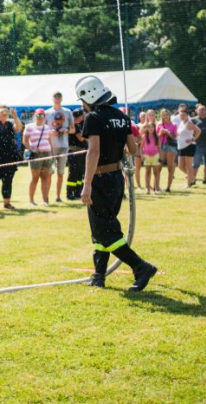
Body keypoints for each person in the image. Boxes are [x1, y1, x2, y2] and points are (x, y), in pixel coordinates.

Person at [76, 75, 158, 291]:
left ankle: (141, 267)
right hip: (116, 180)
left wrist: (87, 185)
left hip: (100, 180)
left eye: (82, 101)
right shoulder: (121, 116)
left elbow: (93, 152)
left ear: (89, 96)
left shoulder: (93, 118)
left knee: (106, 230)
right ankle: (99, 275)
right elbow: (134, 150)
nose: (82, 106)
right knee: (101, 227)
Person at [0, 105, 23, 210]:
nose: (4, 114)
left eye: (5, 113)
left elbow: (18, 128)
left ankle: (7, 203)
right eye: (1, 112)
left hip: (9, 155)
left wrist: (15, 116)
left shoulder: (9, 124)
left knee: (8, 180)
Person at [46, 92, 75, 203]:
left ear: (62, 99)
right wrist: (51, 132)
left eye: (59, 97)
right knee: (49, 172)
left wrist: (66, 130)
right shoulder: (47, 112)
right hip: (50, 146)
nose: (57, 99)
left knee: (61, 173)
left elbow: (73, 129)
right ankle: (46, 197)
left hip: (63, 146)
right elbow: (41, 129)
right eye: (55, 97)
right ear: (52, 98)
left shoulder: (67, 112)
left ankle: (58, 197)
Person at [22, 108, 53, 206]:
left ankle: (45, 200)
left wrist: (51, 153)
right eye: (38, 115)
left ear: (44, 117)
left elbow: (50, 141)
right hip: (36, 155)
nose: (40, 117)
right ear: (34, 116)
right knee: (35, 178)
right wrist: (32, 149)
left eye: (42, 115)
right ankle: (31, 201)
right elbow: (25, 141)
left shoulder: (47, 127)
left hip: (46, 154)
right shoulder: (29, 127)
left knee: (45, 177)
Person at [176, 108, 201, 188]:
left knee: (188, 166)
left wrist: (193, 139)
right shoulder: (181, 123)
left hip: (189, 146)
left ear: (187, 116)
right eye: (181, 115)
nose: (182, 117)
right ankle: (192, 178)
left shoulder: (189, 123)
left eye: (184, 115)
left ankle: (189, 183)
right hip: (181, 146)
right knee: (180, 166)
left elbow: (198, 131)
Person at [66, 108, 87, 200]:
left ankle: (78, 192)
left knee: (80, 173)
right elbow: (81, 138)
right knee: (73, 173)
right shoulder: (74, 125)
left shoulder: (82, 124)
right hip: (74, 151)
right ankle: (70, 193)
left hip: (82, 151)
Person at [140, 111, 161, 194]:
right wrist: (141, 155)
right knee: (147, 172)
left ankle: (156, 189)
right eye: (149, 127)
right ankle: (147, 188)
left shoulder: (157, 137)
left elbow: (159, 148)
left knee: (156, 173)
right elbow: (141, 148)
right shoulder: (144, 136)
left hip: (155, 156)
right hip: (147, 156)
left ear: (154, 128)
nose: (150, 129)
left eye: (152, 127)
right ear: (147, 128)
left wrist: (161, 157)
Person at [156, 109, 178, 192]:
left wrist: (168, 132)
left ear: (169, 115)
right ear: (161, 116)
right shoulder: (159, 124)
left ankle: (168, 187)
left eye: (166, 114)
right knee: (159, 167)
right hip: (161, 146)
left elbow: (175, 137)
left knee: (170, 167)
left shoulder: (174, 124)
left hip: (170, 146)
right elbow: (156, 137)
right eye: (163, 114)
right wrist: (161, 133)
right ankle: (156, 187)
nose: (165, 116)